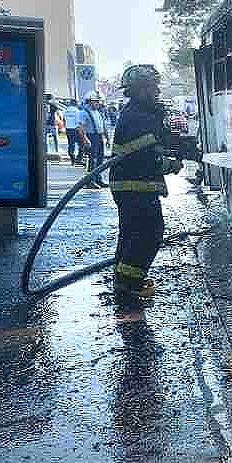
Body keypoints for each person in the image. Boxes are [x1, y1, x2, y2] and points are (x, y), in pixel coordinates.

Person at [110, 64, 183, 300]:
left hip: (131, 185)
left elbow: (152, 146)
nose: (157, 92)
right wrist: (170, 165)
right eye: (153, 87)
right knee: (149, 233)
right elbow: (146, 159)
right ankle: (130, 284)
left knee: (131, 234)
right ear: (141, 90)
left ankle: (123, 280)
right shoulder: (137, 117)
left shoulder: (138, 114)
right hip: (136, 186)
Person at [78, 91, 109, 188]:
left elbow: (103, 126)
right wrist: (85, 139)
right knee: (92, 160)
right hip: (91, 137)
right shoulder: (83, 112)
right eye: (96, 101)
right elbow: (81, 127)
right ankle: (89, 182)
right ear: (89, 102)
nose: (98, 103)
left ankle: (98, 179)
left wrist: (107, 138)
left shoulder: (98, 112)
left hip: (99, 137)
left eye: (98, 101)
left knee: (100, 160)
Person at [63, 99, 83, 165]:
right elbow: (78, 122)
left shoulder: (66, 111)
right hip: (76, 129)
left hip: (68, 129)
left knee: (71, 144)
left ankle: (72, 158)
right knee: (81, 144)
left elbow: (64, 120)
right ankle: (79, 159)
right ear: (75, 104)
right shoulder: (77, 111)